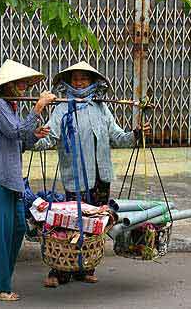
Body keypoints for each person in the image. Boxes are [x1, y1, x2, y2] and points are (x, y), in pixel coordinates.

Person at [33, 61, 151, 288]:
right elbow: (49, 137)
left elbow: (118, 137)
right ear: (68, 83)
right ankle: (60, 270)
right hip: (75, 177)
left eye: (83, 79)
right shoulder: (61, 108)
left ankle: (86, 266)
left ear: (91, 82)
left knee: (95, 224)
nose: (79, 82)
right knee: (70, 224)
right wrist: (31, 137)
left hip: (100, 178)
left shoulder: (101, 108)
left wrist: (136, 134)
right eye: (75, 79)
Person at [0, 59, 56, 301]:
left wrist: (34, 135)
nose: (22, 87)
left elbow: (19, 142)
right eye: (18, 83)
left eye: (23, 83)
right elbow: (16, 132)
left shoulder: (11, 109)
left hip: (11, 179)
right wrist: (38, 109)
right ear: (7, 85)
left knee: (18, 228)